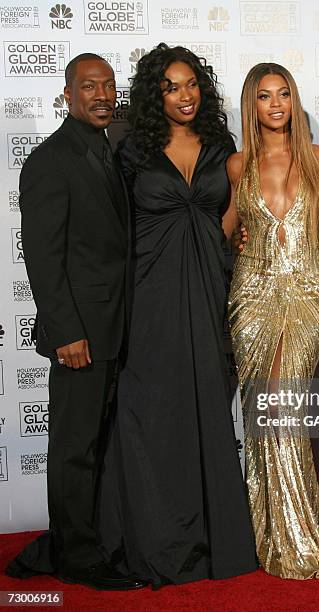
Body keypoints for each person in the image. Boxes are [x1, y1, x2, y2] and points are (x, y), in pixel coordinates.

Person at [97, 44, 258, 588]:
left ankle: (213, 539)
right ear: (153, 95)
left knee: (208, 408)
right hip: (150, 297)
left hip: (212, 290)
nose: (184, 95)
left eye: (190, 84)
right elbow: (114, 234)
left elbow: (228, 219)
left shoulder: (221, 146)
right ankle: (157, 541)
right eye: (170, 86)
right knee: (155, 415)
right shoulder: (134, 153)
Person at [5, 54, 144, 590]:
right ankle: (79, 559)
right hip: (81, 335)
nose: (103, 95)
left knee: (100, 445)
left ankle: (90, 541)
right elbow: (43, 256)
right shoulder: (49, 159)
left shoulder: (108, 151)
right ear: (67, 94)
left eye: (109, 86)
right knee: (74, 448)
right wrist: (65, 332)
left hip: (115, 328)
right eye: (90, 87)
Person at [223, 63, 319, 580]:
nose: (276, 104)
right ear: (251, 105)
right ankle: (269, 531)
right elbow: (227, 229)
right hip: (253, 294)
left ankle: (298, 534)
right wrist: (231, 236)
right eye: (264, 96)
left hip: (306, 290)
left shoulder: (317, 158)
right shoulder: (237, 166)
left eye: (284, 94)